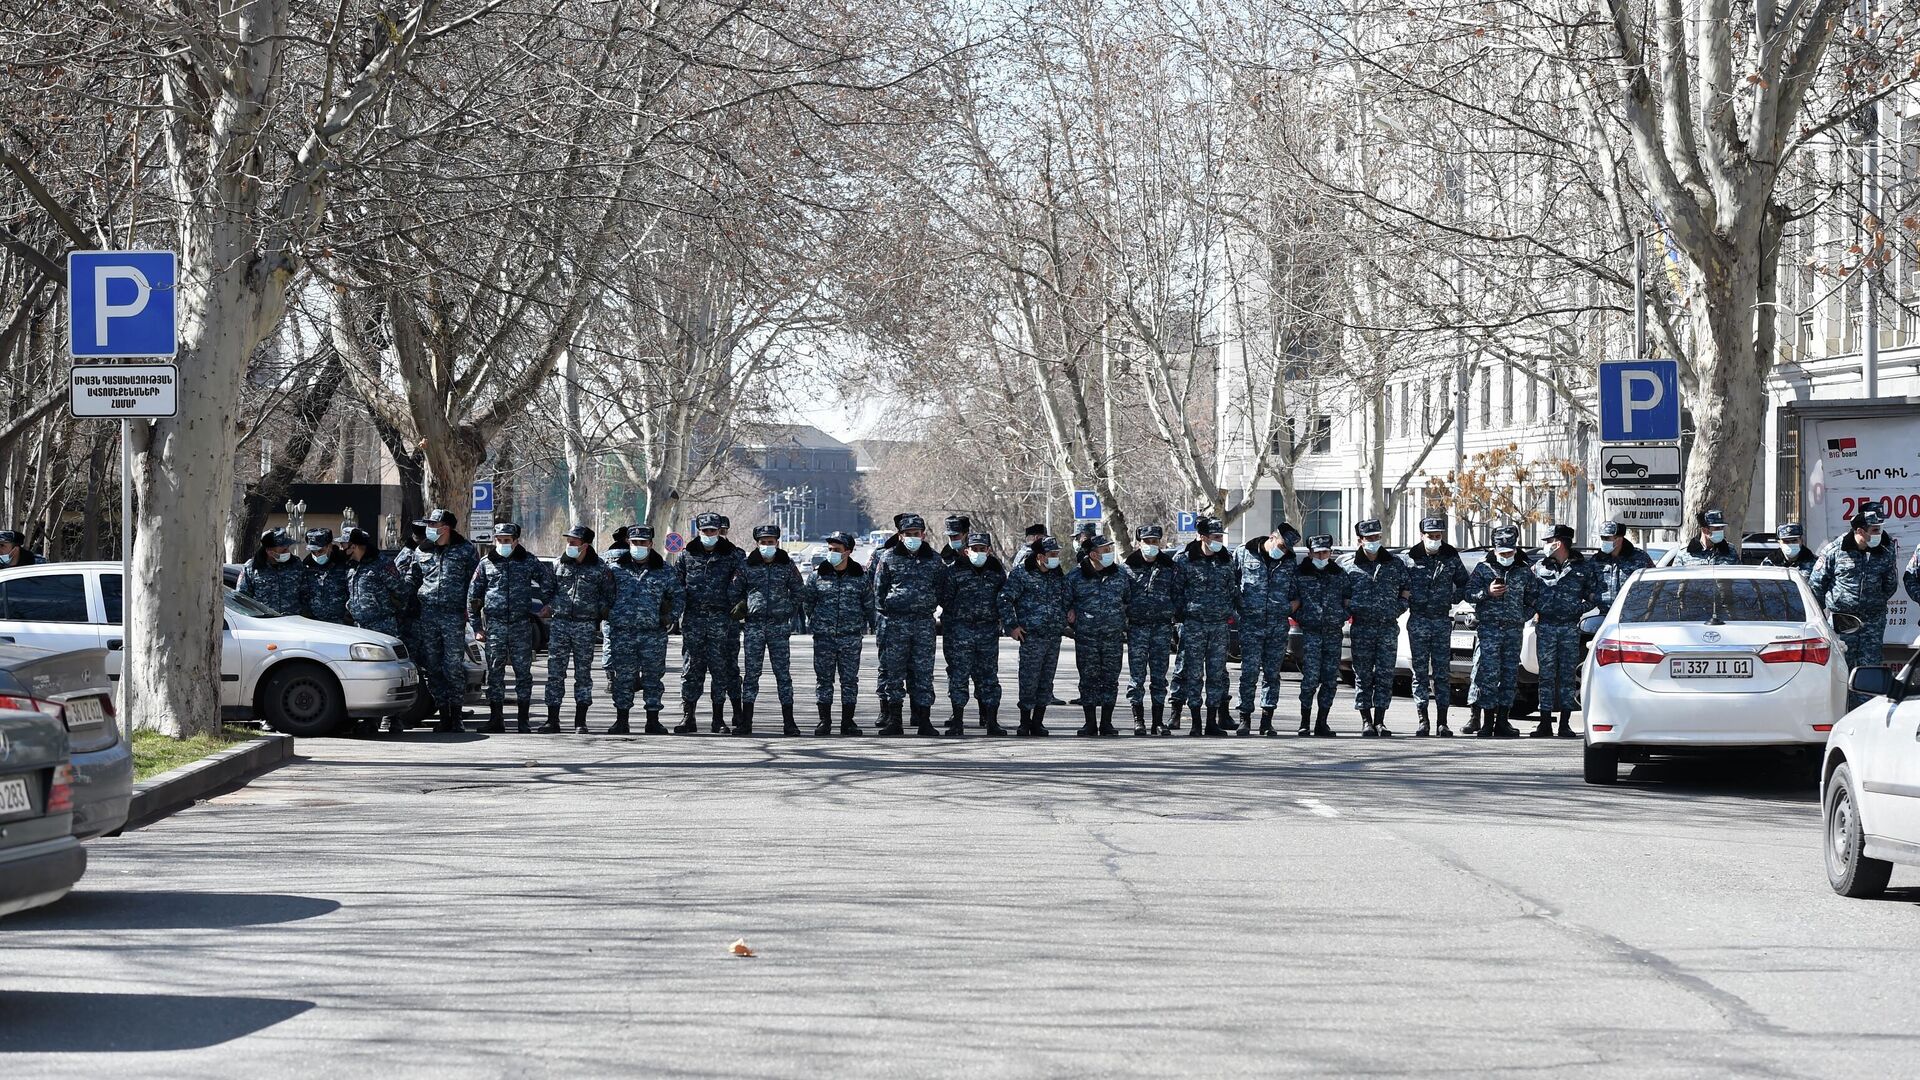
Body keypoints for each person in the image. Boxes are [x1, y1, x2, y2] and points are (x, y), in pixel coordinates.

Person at [467, 521, 553, 733]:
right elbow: (473, 597)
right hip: (495, 626)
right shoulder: (486, 564)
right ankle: (496, 719)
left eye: (506, 540)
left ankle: (523, 721)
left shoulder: (528, 561)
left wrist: (548, 605)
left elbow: (548, 583)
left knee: (523, 673)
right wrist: (477, 627)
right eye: (499, 540)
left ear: (515, 541)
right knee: (495, 674)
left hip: (521, 625)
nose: (502, 543)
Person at [871, 513, 949, 737]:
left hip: (924, 624)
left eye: (917, 534)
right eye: (908, 534)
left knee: (923, 673)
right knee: (894, 673)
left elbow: (943, 590)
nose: (913, 538)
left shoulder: (934, 560)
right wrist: (887, 613)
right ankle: (895, 720)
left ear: (923, 535)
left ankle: (924, 720)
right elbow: (879, 590)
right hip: (895, 623)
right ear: (901, 535)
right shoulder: (888, 558)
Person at [1816, 507, 1900, 708]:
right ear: (1860, 531)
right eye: (1874, 529)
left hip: (1872, 622)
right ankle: (1840, 715)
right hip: (1842, 622)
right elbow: (1817, 585)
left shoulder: (1885, 551)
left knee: (1869, 671)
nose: (1879, 534)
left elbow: (1890, 585)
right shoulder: (1835, 550)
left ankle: (1864, 716)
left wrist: (1871, 603)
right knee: (1841, 670)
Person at [406, 508, 479, 733]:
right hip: (427, 615)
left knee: (453, 666)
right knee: (433, 667)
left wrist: (472, 614)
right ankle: (443, 712)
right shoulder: (422, 550)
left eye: (433, 525)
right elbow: (413, 578)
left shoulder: (466, 551)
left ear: (445, 528)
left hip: (453, 615)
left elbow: (474, 585)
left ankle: (456, 714)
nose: (429, 529)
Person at [606, 525, 682, 735]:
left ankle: (653, 720)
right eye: (634, 543)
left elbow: (678, 597)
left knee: (653, 677)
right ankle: (621, 720)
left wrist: (669, 618)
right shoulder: (615, 569)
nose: (638, 546)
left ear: (650, 544)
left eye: (642, 543)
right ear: (628, 543)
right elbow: (603, 595)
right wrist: (609, 614)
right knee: (623, 677)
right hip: (622, 633)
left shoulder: (664, 570)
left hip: (652, 634)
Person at [1528, 523, 1599, 739]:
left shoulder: (1583, 568)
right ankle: (1544, 723)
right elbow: (1528, 593)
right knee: (1546, 676)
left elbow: (1595, 595)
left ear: (1558, 543)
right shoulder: (1539, 567)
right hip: (1546, 626)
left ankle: (1565, 724)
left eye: (1549, 542)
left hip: (1569, 627)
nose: (1546, 546)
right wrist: (1538, 607)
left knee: (1567, 676)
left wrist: (1577, 609)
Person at [1170, 517, 1239, 736]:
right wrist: (1185, 614)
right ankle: (1195, 722)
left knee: (1216, 674)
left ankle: (1212, 721)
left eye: (1221, 537)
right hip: (1194, 625)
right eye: (1215, 537)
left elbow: (1232, 589)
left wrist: (1230, 610)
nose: (1219, 541)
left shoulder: (1226, 560)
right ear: (1203, 537)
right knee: (1193, 674)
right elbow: (1176, 591)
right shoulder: (1184, 560)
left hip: (1219, 625)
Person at [677, 512, 745, 734]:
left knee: (721, 670)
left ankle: (719, 718)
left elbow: (743, 584)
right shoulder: (686, 555)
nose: (709, 535)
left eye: (713, 531)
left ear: (719, 531)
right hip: (694, 620)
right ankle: (689, 717)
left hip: (721, 621)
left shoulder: (733, 556)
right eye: (705, 531)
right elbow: (677, 588)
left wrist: (740, 607)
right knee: (691, 670)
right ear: (699, 531)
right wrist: (673, 615)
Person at [341, 527, 412, 735]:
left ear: (355, 545)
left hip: (383, 625)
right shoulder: (353, 567)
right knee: (368, 674)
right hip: (360, 627)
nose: (342, 548)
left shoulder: (382, 564)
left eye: (345, 544)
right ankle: (371, 720)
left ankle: (393, 718)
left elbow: (401, 591)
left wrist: (391, 611)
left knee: (389, 672)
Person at [1343, 519, 1409, 738]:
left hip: (1387, 628)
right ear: (1360, 540)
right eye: (1369, 538)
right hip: (1362, 628)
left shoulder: (1394, 564)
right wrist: (1352, 608)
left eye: (1377, 538)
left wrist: (1398, 608)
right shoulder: (1350, 565)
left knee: (1384, 675)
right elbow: (1342, 595)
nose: (1374, 542)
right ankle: (1366, 720)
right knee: (1362, 675)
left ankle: (1380, 720)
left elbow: (1406, 590)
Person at [1466, 526, 1534, 739]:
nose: (1506, 557)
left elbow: (1533, 598)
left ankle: (1503, 720)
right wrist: (1487, 592)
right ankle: (1486, 722)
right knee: (1488, 676)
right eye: (1502, 553)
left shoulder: (1523, 570)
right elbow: (1468, 594)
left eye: (1510, 553)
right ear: (1495, 550)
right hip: (1490, 630)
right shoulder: (1483, 569)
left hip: (1513, 631)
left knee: (1509, 675)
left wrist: (1522, 616)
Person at [738, 524, 805, 736]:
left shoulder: (786, 565)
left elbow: (798, 590)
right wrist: (743, 607)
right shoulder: (747, 565)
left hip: (778, 626)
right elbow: (735, 590)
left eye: (771, 542)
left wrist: (788, 611)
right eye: (763, 542)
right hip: (754, 626)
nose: (767, 546)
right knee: (751, 675)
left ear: (777, 542)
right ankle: (746, 722)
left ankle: (789, 722)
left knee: (783, 675)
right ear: (757, 544)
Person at [802, 531, 871, 736]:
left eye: (837, 550)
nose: (832, 553)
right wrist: (817, 622)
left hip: (850, 637)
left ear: (848, 552)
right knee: (824, 680)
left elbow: (868, 604)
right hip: (824, 637)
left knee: (849, 680)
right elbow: (808, 602)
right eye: (830, 549)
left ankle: (847, 722)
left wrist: (864, 626)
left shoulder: (860, 577)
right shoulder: (817, 575)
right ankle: (825, 721)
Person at [546, 525, 613, 734]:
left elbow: (609, 595)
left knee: (583, 674)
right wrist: (553, 605)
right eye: (568, 541)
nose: (569, 545)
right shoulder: (558, 564)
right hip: (560, 624)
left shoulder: (600, 568)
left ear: (585, 545)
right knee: (555, 673)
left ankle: (580, 721)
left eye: (573, 542)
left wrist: (596, 612)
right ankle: (552, 720)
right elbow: (547, 589)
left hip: (585, 626)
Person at [1404, 515, 1466, 737]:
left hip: (1441, 620)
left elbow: (1464, 583)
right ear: (1422, 535)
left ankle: (1442, 721)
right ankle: (1423, 720)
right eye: (1431, 536)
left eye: (1438, 536)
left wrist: (1452, 597)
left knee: (1441, 673)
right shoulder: (1410, 558)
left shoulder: (1450, 557)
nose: (1435, 539)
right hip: (1419, 619)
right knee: (1420, 673)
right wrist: (1406, 600)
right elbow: (1400, 587)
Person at [1001, 537, 1069, 736]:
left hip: (1053, 636)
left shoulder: (1057, 575)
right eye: (1052, 554)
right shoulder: (1022, 575)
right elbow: (1004, 599)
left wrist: (1065, 617)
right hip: (1031, 637)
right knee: (1029, 679)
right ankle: (1025, 721)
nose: (1056, 558)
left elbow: (1066, 599)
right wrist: (1012, 626)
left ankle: (1038, 722)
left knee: (1046, 680)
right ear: (1040, 556)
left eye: (1057, 554)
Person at [1235, 524, 1298, 737]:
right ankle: (1244, 717)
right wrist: (1239, 610)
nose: (1283, 551)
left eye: (1287, 549)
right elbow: (1231, 584)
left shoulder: (1289, 562)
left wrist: (1286, 609)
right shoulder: (1244, 553)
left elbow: (1296, 593)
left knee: (1272, 674)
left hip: (1277, 626)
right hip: (1251, 625)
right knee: (1249, 673)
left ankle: (1267, 719)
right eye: (1281, 545)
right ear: (1272, 537)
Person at [943, 531, 1007, 736]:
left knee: (989, 677)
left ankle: (992, 722)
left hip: (987, 631)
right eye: (975, 549)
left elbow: (1003, 598)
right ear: (966, 550)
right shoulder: (954, 571)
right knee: (959, 676)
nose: (979, 552)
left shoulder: (996, 571)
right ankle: (958, 721)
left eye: (983, 549)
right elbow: (945, 599)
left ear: (988, 550)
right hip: (960, 630)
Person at [1068, 532, 1130, 737]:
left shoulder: (1120, 575)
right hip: (1087, 638)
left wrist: (1124, 623)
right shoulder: (1075, 577)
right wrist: (1072, 624)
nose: (1109, 553)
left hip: (1112, 638)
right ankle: (1089, 723)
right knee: (1088, 679)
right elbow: (1063, 605)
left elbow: (1129, 601)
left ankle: (1106, 723)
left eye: (1110, 549)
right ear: (1093, 555)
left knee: (1110, 680)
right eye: (1105, 550)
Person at [1123, 525, 1182, 736]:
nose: (1151, 546)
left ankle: (1158, 721)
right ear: (1139, 543)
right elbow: (1122, 598)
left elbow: (1178, 594)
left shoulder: (1169, 567)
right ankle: (1138, 720)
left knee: (1159, 677)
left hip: (1161, 628)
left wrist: (1173, 614)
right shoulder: (1128, 567)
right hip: (1138, 628)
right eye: (1147, 542)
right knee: (1137, 677)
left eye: (1155, 542)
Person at [1293, 534, 1351, 737]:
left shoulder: (1339, 574)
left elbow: (1348, 599)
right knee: (1310, 679)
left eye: (1325, 552)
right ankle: (1304, 722)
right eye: (1317, 552)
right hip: (1311, 633)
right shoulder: (1300, 574)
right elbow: (1292, 600)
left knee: (1329, 680)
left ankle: (1322, 722)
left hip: (1333, 633)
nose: (1321, 555)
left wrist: (1341, 616)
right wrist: (1303, 617)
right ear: (1310, 553)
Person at [237, 528, 304, 613]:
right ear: (270, 552)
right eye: (283, 550)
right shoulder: (251, 568)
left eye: (287, 548)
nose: (288, 552)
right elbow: (242, 598)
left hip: (293, 621)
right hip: (265, 622)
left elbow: (305, 593)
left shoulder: (296, 564)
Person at [1593, 520, 1654, 612]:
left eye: (1607, 538)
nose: (1604, 541)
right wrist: (1594, 597)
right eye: (1602, 538)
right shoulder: (1597, 560)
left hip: (1634, 614)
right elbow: (1586, 584)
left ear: (1619, 539)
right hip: (1605, 614)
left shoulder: (1640, 558)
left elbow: (1653, 583)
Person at [299, 528, 350, 624]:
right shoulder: (306, 567)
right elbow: (303, 595)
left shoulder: (344, 564)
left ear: (329, 546)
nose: (316, 555)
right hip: (315, 624)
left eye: (320, 551)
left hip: (341, 624)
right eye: (313, 552)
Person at [1672, 509, 1739, 566]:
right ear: (1704, 530)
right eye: (1717, 528)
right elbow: (1674, 578)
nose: (1720, 531)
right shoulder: (1685, 554)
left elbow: (1738, 577)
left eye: (1722, 527)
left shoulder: (1730, 551)